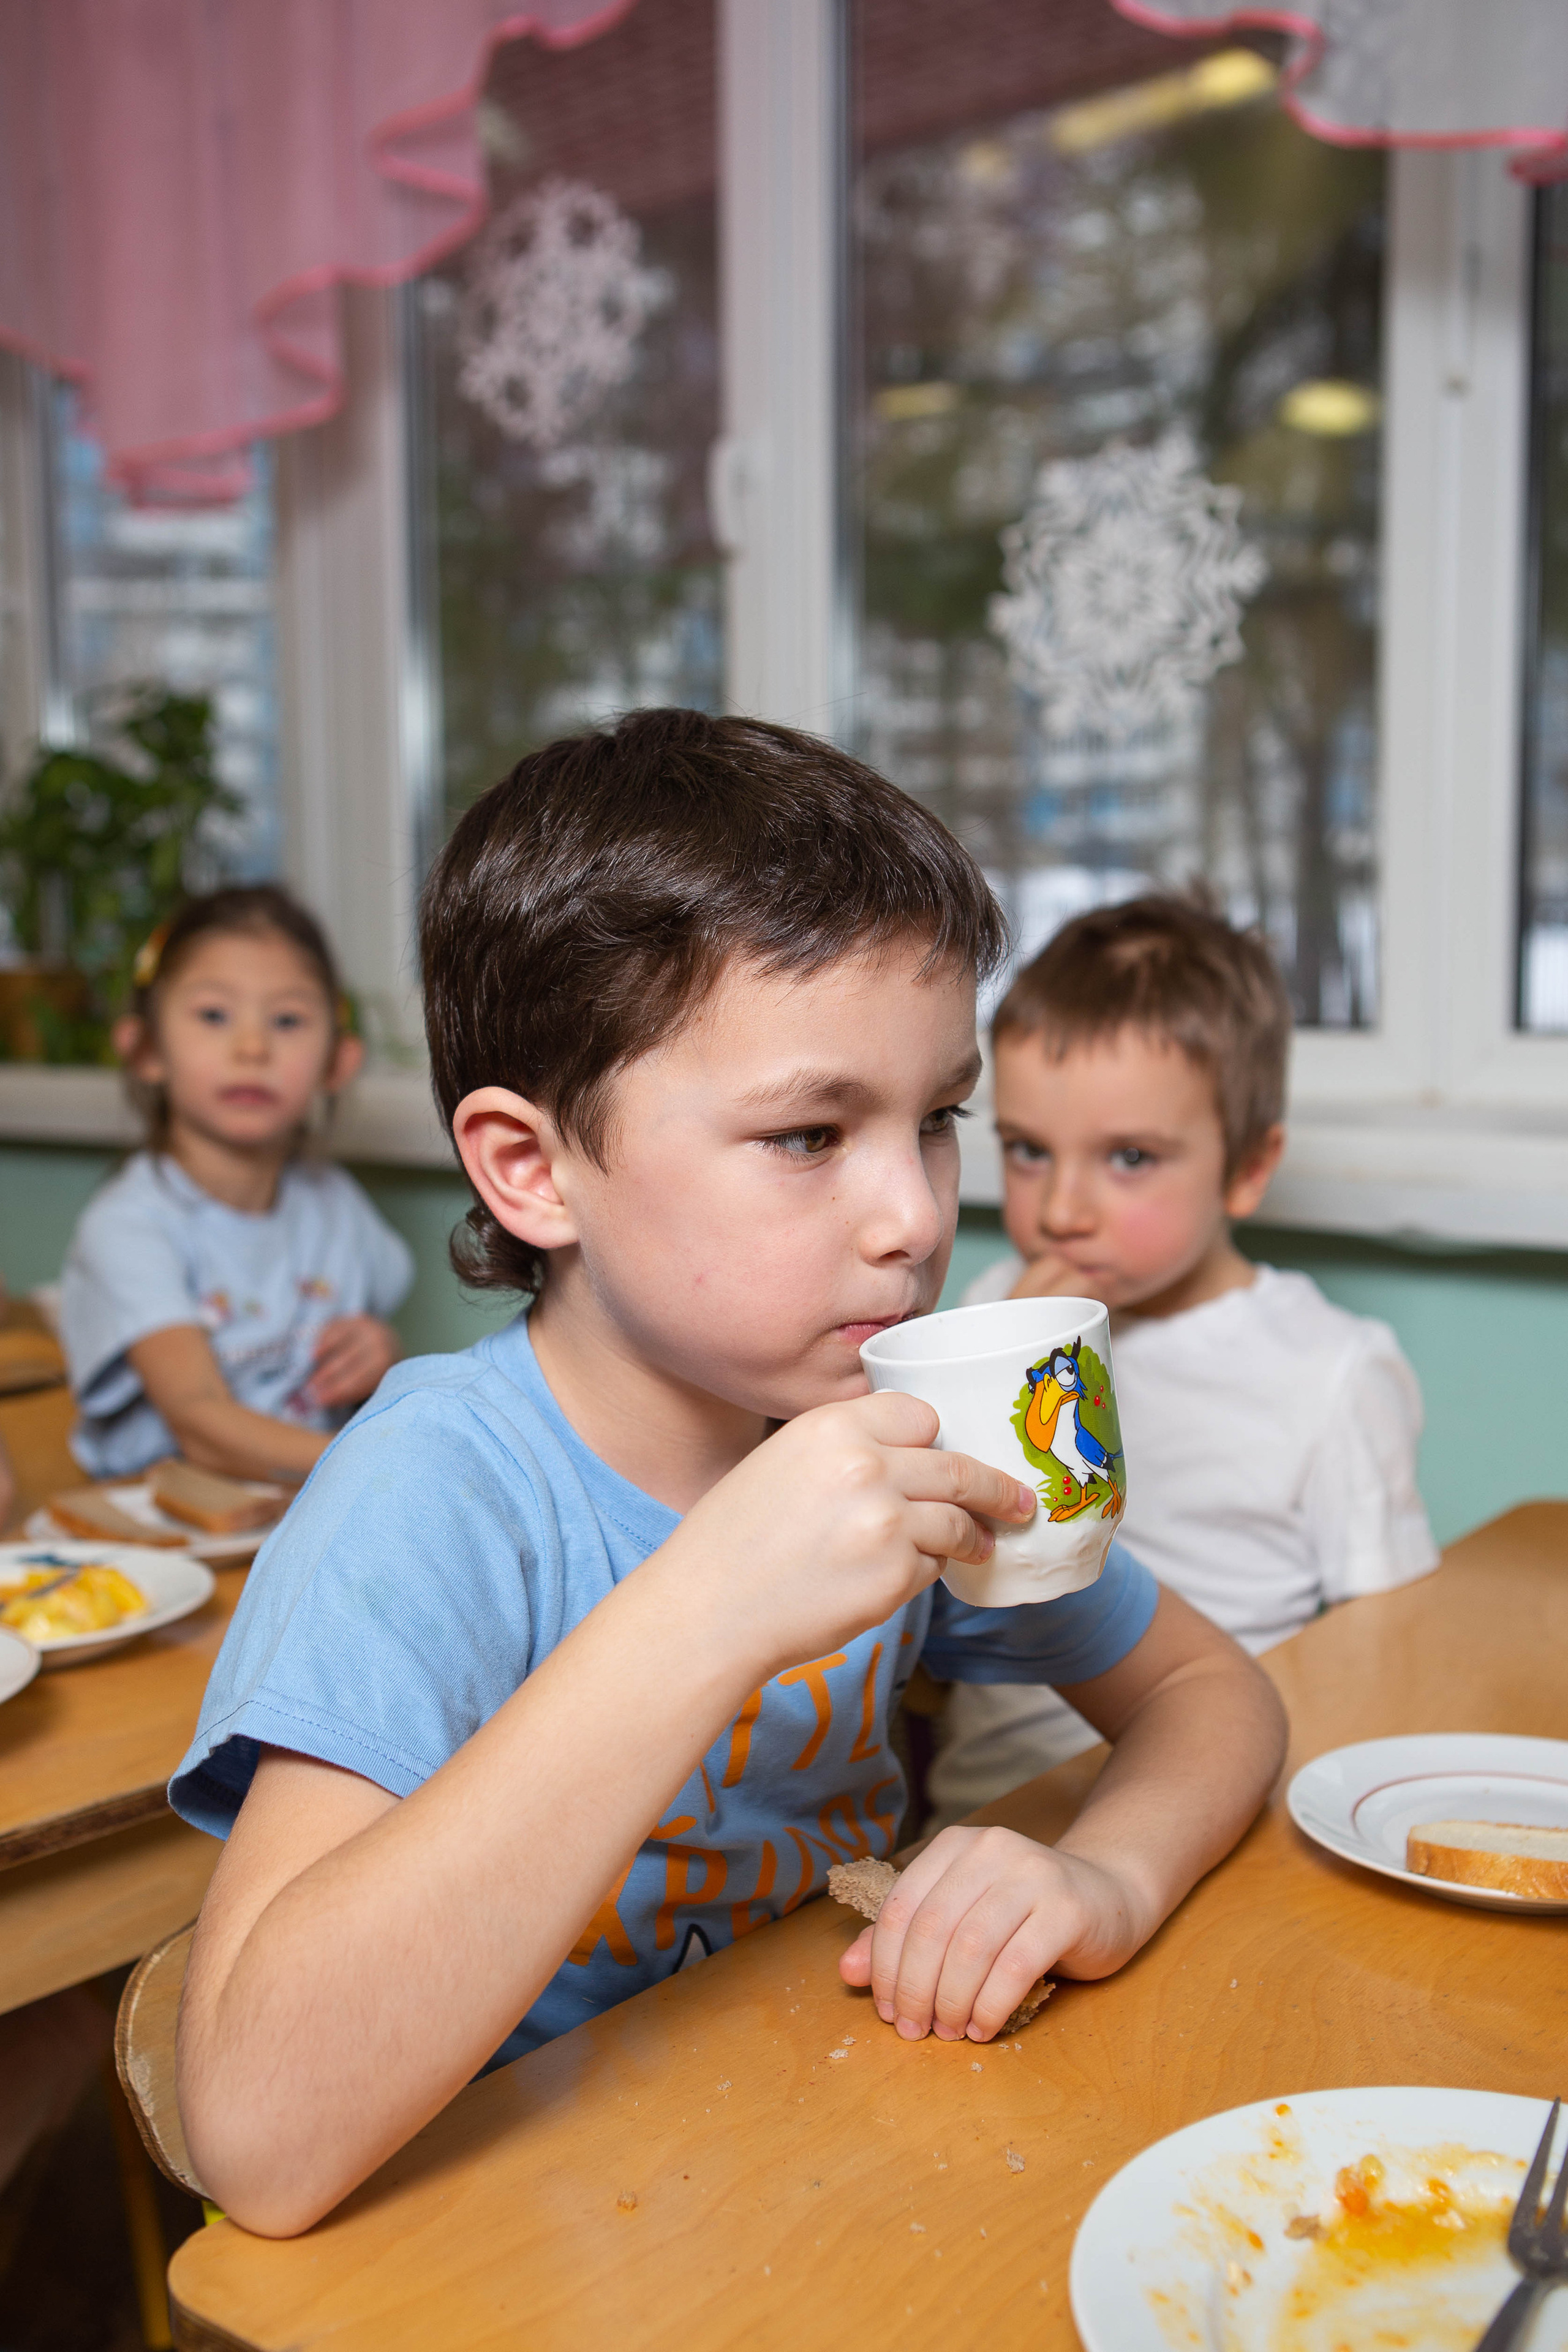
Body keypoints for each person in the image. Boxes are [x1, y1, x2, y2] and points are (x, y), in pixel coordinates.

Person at [168, 712, 1286, 2237]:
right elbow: (255, 2131)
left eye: (936, 1119)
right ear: (532, 1167)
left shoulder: (888, 1432)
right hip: (517, 2245)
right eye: (809, 1132)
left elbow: (1209, 1697)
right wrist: (706, 1607)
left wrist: (1102, 1877)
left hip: (818, 2171)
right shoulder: (428, 1493)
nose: (910, 1213)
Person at [927, 895, 1436, 1830]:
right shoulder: (994, 1308)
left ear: (1247, 1167)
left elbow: (1385, 1654)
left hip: (1219, 1820)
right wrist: (994, 1356)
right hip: (987, 1817)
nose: (1064, 1208)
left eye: (1129, 1157)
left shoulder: (1331, 1371)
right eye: (1028, 1151)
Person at [58, 886, 413, 1486]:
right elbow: (201, 1423)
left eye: (287, 1020)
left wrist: (381, 1358)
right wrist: (371, 1463)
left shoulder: (338, 1206)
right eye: (214, 1015)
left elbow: (368, 1367)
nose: (252, 1048)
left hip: (296, 1515)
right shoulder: (129, 1224)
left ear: (337, 1063)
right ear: (144, 1049)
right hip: (157, 1543)